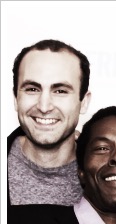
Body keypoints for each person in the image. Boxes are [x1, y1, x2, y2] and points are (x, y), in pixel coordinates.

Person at [8, 39, 91, 205]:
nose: (44, 106)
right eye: (32, 89)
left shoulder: (106, 174)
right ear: (16, 98)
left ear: (84, 102)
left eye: (60, 91)